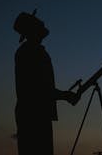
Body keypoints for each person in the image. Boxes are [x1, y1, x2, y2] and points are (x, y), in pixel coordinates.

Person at [13, 10, 80, 155]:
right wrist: (65, 95)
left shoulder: (35, 52)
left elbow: (42, 88)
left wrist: (63, 95)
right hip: (33, 117)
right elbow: (37, 90)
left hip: (37, 114)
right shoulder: (29, 53)